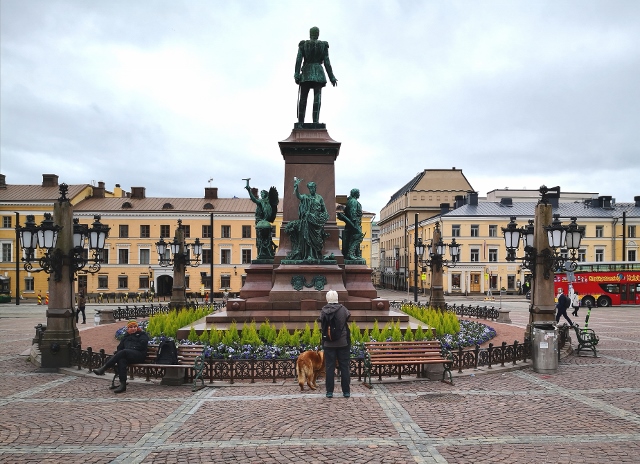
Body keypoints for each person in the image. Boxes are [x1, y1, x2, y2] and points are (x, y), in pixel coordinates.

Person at [294, 26, 338, 125]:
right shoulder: (323, 45)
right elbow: (327, 62)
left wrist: (296, 73)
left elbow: (298, 60)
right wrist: (332, 77)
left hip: (306, 73)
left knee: (303, 98)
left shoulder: (304, 44)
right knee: (317, 98)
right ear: (318, 34)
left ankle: (300, 122)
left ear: (310, 34)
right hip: (318, 72)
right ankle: (315, 122)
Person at [92, 320, 149, 393]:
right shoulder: (125, 337)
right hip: (128, 356)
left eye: (135, 327)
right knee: (121, 360)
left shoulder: (142, 335)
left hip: (139, 355)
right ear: (128, 329)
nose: (133, 328)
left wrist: (130, 349)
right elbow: (119, 348)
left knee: (124, 352)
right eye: (131, 327)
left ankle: (104, 368)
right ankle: (123, 384)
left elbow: (142, 345)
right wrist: (122, 352)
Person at [286, 178, 329, 261]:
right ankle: (309, 255)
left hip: (317, 222)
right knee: (307, 238)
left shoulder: (319, 198)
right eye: (310, 188)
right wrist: (296, 187)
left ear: (315, 188)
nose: (311, 190)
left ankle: (316, 255)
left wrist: (323, 217)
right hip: (308, 221)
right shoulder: (306, 197)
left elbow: (324, 210)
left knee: (317, 239)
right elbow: (299, 196)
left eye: (313, 188)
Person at [320, 290, 351, 398]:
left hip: (328, 343)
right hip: (343, 342)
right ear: (337, 298)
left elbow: (322, 324)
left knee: (329, 367)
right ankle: (346, 391)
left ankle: (329, 392)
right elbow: (347, 317)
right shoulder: (343, 309)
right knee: (344, 367)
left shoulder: (324, 310)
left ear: (327, 298)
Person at [337, 188, 363, 260]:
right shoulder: (353, 201)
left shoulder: (350, 201)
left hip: (351, 222)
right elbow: (353, 212)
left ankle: (356, 254)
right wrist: (354, 222)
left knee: (352, 238)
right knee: (359, 236)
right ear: (355, 193)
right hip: (353, 222)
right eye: (358, 193)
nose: (359, 194)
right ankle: (350, 254)